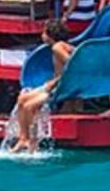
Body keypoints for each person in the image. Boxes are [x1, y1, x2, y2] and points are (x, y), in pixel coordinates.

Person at [10, 20, 74, 153]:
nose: (42, 35)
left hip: (58, 87)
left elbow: (72, 66)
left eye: (44, 32)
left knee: (29, 106)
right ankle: (23, 138)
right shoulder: (60, 45)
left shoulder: (58, 47)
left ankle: (32, 143)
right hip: (52, 84)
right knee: (21, 99)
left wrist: (56, 81)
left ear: (50, 34)